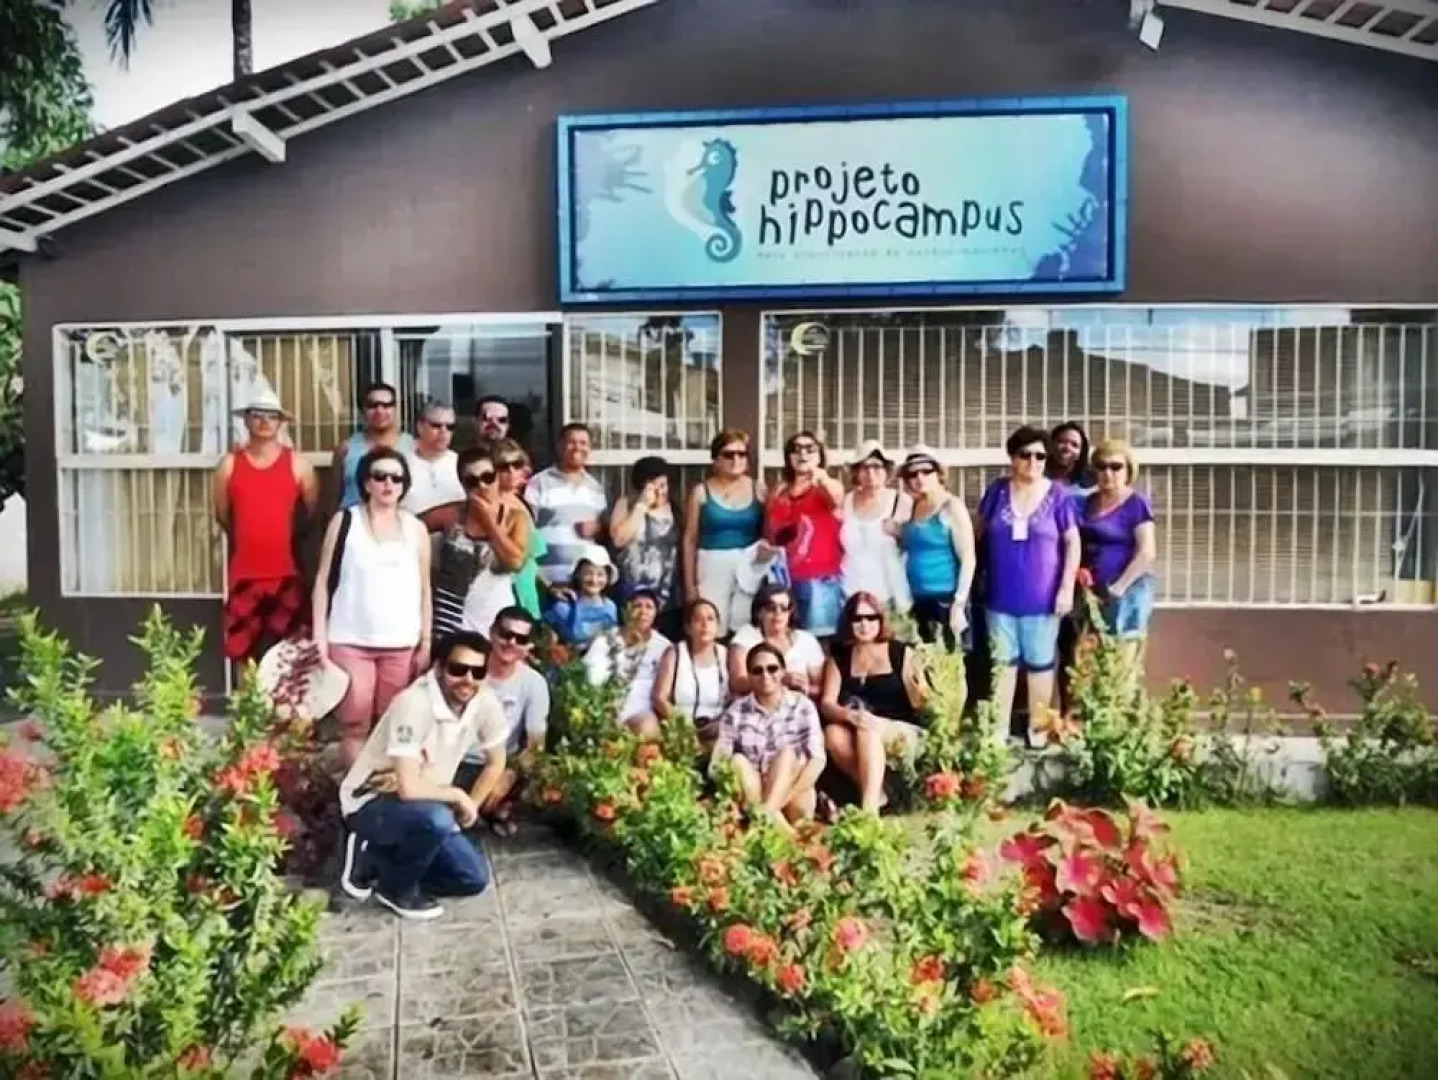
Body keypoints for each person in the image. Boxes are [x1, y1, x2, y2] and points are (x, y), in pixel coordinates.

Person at [337, 631, 505, 920]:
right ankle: (395, 887)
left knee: (471, 879)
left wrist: (471, 808)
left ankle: (380, 862)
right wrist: (457, 796)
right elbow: (408, 788)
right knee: (436, 819)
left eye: (477, 671)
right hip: (372, 802)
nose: (468, 679)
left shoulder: (484, 700)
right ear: (438, 667)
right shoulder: (414, 703)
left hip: (429, 804)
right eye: (457, 669)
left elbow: (496, 762)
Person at [312, 447, 432, 767]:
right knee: (354, 722)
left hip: (401, 643)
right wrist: (319, 640)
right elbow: (323, 582)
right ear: (366, 483)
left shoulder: (416, 528)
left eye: (396, 477)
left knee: (393, 723)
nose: (388, 484)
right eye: (380, 476)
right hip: (350, 638)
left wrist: (426, 642)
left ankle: (385, 795)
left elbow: (425, 589)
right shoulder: (345, 521)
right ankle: (356, 792)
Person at [975, 426, 1081, 746]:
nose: (1033, 461)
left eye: (1040, 456)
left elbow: (1072, 543)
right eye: (1026, 455)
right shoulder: (997, 492)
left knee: (1040, 663)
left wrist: (1066, 588)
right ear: (1012, 457)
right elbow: (977, 533)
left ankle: (1039, 729)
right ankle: (997, 731)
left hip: (1043, 598)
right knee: (1002, 665)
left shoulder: (1058, 495)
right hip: (1000, 595)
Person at [212, 381, 319, 665]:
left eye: (271, 416)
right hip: (244, 573)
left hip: (287, 574)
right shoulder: (229, 465)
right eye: (257, 414)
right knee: (241, 652)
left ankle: (283, 709)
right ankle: (248, 707)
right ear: (246, 420)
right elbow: (223, 514)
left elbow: (310, 517)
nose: (264, 421)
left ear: (281, 422)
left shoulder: (299, 465)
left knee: (287, 654)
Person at [820, 593, 932, 813]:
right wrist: (849, 715)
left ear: (880, 621)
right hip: (859, 724)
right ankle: (882, 793)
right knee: (833, 733)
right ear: (849, 622)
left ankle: (869, 810)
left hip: (902, 728)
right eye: (858, 618)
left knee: (867, 728)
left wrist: (922, 688)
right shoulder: (840, 658)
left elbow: (920, 703)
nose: (865, 624)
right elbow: (827, 703)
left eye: (871, 618)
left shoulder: (900, 652)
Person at [710, 642, 825, 831]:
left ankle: (765, 817)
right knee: (737, 761)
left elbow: (818, 760)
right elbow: (716, 765)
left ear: (782, 672)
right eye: (757, 671)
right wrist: (750, 782)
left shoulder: (802, 706)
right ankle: (787, 835)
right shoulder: (736, 712)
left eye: (772, 669)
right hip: (753, 787)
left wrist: (776, 802)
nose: (765, 676)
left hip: (793, 788)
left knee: (787, 754)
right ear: (749, 676)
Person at [464, 605, 550, 837]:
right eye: (505, 634)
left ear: (528, 646)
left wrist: (508, 775)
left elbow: (536, 745)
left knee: (542, 775)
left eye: (520, 638)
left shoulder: (535, 683)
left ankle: (494, 808)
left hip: (502, 762)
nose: (511, 642)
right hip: (460, 759)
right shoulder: (467, 670)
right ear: (491, 633)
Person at [430, 445, 530, 640]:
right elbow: (409, 527)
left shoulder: (515, 517)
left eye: (488, 477)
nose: (482, 486)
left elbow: (515, 562)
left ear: (497, 476)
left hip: (494, 619)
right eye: (472, 481)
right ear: (462, 484)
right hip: (450, 619)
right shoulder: (451, 515)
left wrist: (489, 521)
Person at [1080, 439, 1158, 678]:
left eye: (1116, 467)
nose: (1108, 473)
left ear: (1128, 471)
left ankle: (1121, 715)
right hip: (1093, 594)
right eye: (1102, 466)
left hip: (1126, 592)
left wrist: (1119, 588)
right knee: (1094, 662)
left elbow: (1147, 552)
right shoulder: (1088, 503)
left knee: (1122, 666)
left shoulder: (1136, 504)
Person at [764, 430, 845, 638]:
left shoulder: (827, 485)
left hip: (820, 579)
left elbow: (835, 499)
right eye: (796, 449)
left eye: (810, 449)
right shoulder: (779, 491)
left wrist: (820, 476)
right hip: (784, 579)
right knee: (787, 639)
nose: (803, 454)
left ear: (820, 455)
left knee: (820, 641)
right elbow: (770, 531)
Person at [683, 430, 765, 636]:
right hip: (711, 565)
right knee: (710, 627)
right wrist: (690, 587)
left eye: (742, 454)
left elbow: (769, 531)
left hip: (749, 567)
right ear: (716, 459)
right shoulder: (701, 492)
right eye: (728, 454)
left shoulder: (760, 489)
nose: (736, 459)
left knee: (746, 628)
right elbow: (689, 539)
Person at [894, 446, 976, 649]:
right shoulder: (913, 506)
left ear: (939, 473)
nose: (919, 478)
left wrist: (959, 603)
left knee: (949, 669)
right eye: (912, 473)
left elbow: (968, 557)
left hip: (946, 598)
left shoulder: (951, 506)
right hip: (918, 599)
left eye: (926, 471)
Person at [525, 423, 609, 594]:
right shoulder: (539, 482)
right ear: (559, 446)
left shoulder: (596, 488)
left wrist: (598, 529)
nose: (577, 447)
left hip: (585, 583)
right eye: (571, 442)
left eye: (583, 443)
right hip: (546, 580)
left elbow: (604, 533)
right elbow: (526, 530)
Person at [609, 455, 682, 639]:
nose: (659, 491)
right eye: (652, 485)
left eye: (663, 485)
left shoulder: (675, 509)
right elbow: (619, 539)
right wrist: (642, 505)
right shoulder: (627, 503)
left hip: (666, 596)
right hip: (630, 593)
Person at [583, 589, 672, 738]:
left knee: (648, 729)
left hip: (642, 711)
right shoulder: (606, 639)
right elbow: (592, 677)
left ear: (656, 613)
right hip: (606, 708)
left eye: (649, 607)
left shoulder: (664, 646)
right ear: (625, 611)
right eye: (637, 606)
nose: (643, 611)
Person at [838, 440, 911, 611]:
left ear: (886, 471)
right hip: (850, 594)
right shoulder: (846, 501)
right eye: (864, 467)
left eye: (877, 467)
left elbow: (915, 544)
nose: (871, 473)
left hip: (889, 596)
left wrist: (900, 532)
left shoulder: (900, 501)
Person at [653, 599, 730, 748]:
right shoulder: (674, 653)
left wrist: (721, 723)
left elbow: (735, 696)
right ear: (688, 628)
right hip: (679, 729)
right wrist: (683, 727)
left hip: (716, 730)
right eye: (698, 619)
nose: (705, 624)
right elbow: (659, 698)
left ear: (718, 627)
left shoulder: (725, 655)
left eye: (710, 619)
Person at [727, 582, 825, 698]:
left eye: (784, 608)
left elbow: (820, 687)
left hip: (798, 708)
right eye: (771, 608)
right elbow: (737, 683)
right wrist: (780, 679)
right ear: (759, 612)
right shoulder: (746, 636)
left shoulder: (807, 640)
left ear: (790, 612)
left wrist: (803, 688)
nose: (778, 613)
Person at [331, 382, 416, 511]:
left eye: (386, 405)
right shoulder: (346, 449)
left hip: (400, 523)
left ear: (395, 409)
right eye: (373, 405)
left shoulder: (413, 447)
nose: (379, 411)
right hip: (353, 524)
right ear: (362, 410)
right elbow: (335, 496)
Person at [493, 438, 547, 619]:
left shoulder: (522, 501)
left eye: (516, 464)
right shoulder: (493, 505)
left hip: (529, 588)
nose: (511, 471)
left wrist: (548, 585)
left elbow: (531, 558)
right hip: (507, 589)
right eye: (502, 466)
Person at [544, 545, 621, 649]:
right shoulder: (563, 607)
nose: (594, 580)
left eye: (600, 575)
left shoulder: (610, 607)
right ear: (578, 575)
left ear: (607, 577)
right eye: (588, 573)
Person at [402, 401, 465, 515]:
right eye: (436, 425)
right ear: (420, 427)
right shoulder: (400, 464)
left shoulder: (462, 463)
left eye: (449, 427)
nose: (443, 431)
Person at [1048, 421, 1095, 500]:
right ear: (1050, 445)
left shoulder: (1091, 482)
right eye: (1061, 442)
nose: (1067, 448)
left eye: (1074, 445)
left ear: (1081, 453)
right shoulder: (1036, 477)